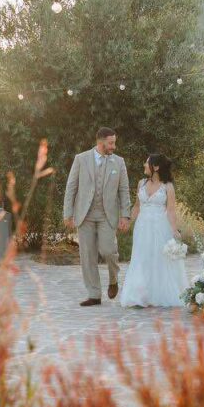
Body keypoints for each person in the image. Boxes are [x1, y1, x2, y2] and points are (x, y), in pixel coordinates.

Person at [63, 127, 131, 306]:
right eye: (111, 143)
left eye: (114, 142)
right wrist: (68, 213)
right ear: (101, 142)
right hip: (84, 215)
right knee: (87, 255)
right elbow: (71, 187)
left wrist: (125, 215)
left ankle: (113, 278)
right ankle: (94, 294)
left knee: (109, 250)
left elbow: (124, 190)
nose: (114, 146)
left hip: (107, 215)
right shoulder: (81, 159)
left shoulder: (119, 162)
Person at [118, 153, 186, 308]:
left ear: (155, 167)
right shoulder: (141, 183)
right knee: (141, 258)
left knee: (159, 259)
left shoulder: (167, 187)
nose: (144, 165)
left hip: (160, 227)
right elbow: (137, 206)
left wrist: (174, 230)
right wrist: (128, 221)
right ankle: (139, 295)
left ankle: (158, 294)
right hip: (142, 227)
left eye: (146, 162)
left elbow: (170, 211)